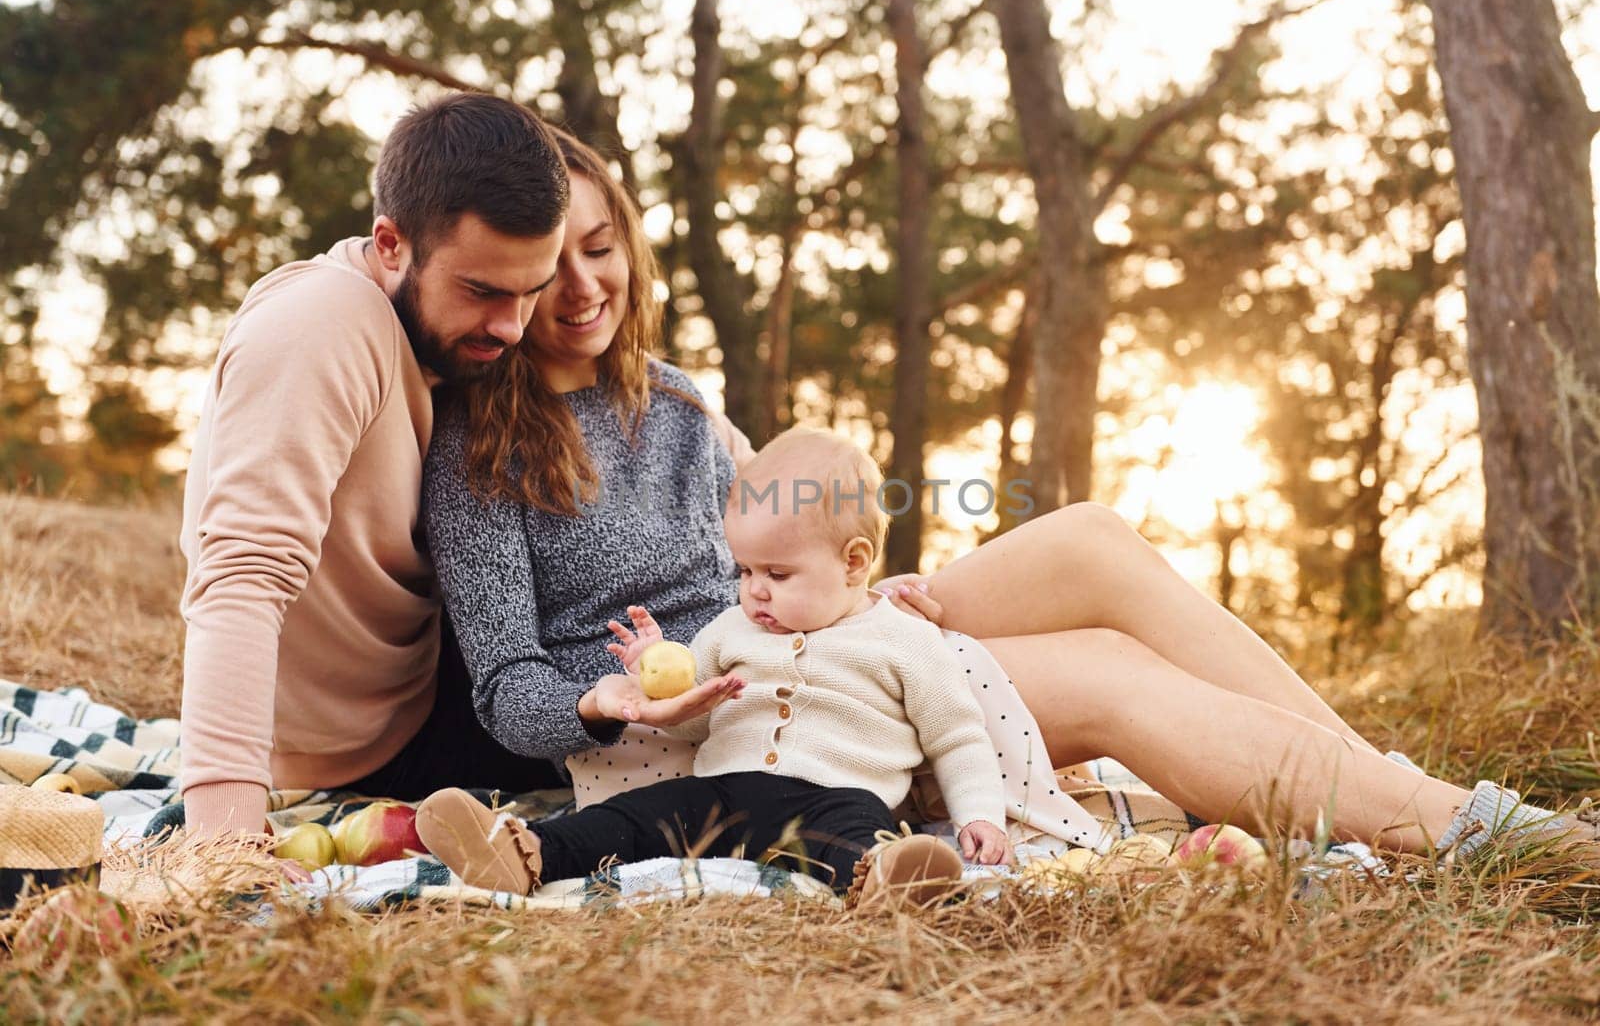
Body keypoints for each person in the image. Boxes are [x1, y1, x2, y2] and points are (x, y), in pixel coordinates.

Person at [426, 127, 1600, 871]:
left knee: (1087, 536)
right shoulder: (479, 446)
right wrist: (608, 697)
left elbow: (775, 542)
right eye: (551, 260)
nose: (581, 285)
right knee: (1095, 670)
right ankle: (1449, 822)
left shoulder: (676, 401)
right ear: (511, 269)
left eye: (601, 247)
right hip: (709, 733)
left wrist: (856, 590)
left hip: (817, 641)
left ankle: (1379, 785)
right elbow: (507, 689)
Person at [176, 92, 577, 838]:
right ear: (390, 242)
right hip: (377, 750)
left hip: (433, 682)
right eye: (483, 290)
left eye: (532, 291)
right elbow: (240, 571)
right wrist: (222, 836)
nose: (512, 326)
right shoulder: (320, 324)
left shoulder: (440, 329)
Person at [416, 427, 1012, 898]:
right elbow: (692, 721)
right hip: (724, 793)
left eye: (777, 575)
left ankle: (888, 878)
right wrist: (658, 673)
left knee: (854, 838)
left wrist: (980, 815)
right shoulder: (730, 629)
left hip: (837, 794)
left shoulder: (904, 640)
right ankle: (523, 852)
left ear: (854, 563)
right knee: (638, 817)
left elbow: (957, 737)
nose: (753, 590)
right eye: (746, 570)